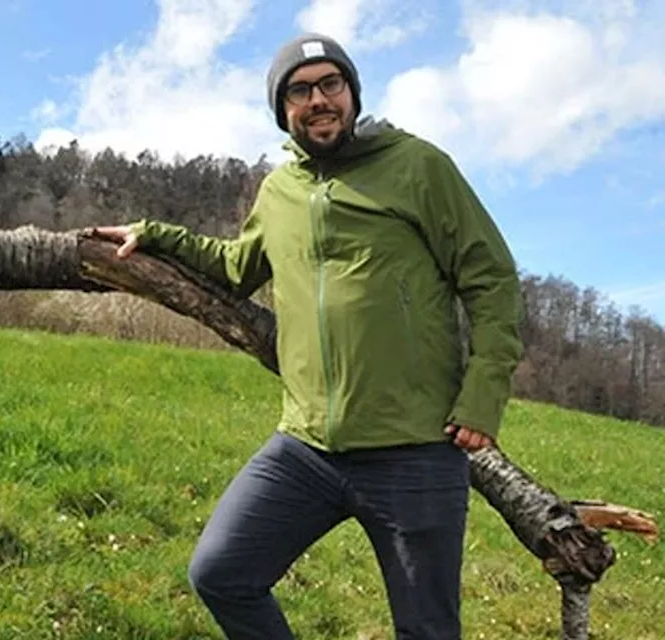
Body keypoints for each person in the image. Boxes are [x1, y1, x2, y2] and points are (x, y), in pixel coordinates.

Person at [90, 33, 524, 639]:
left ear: (351, 93)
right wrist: (156, 233)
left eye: (330, 85)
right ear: (282, 110)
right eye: (300, 90)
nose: (318, 100)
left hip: (414, 450)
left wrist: (484, 393)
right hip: (307, 448)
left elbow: (492, 278)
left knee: (427, 631)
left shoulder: (419, 166)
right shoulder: (279, 190)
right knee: (220, 573)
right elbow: (237, 266)